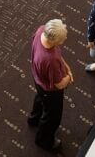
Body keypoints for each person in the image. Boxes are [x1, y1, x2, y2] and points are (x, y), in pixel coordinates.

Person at [27, 19, 73, 152]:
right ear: (53, 40)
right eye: (62, 40)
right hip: (50, 90)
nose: (64, 41)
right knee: (52, 116)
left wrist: (64, 65)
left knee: (40, 100)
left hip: (38, 80)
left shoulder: (42, 30)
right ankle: (44, 140)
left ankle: (33, 119)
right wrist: (69, 76)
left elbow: (57, 53)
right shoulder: (50, 60)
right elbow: (59, 85)